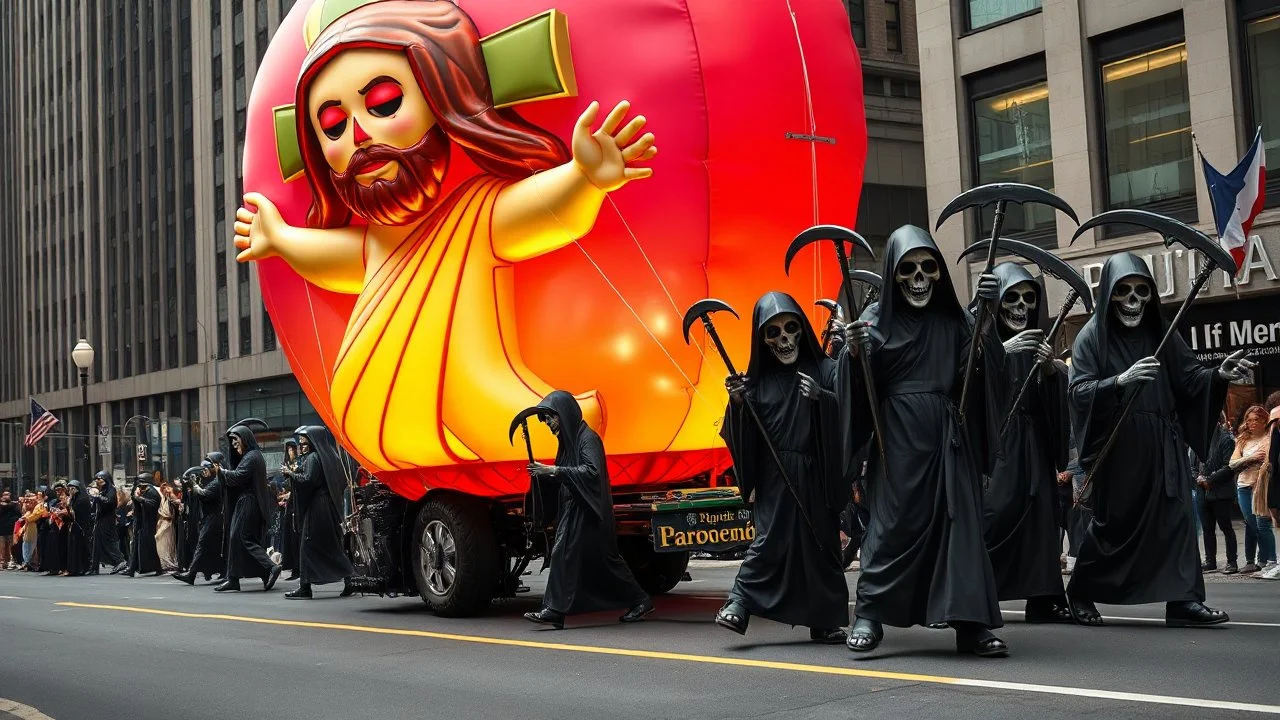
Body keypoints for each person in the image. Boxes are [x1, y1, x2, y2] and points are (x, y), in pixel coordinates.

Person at [233, 0, 660, 472]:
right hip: (395, 447)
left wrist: (583, 178)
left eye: (382, 104)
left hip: (491, 424)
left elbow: (540, 213)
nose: (358, 134)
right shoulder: (378, 240)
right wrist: (280, 237)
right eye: (333, 126)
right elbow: (333, 256)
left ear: (441, 98)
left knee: (538, 436)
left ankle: (566, 433)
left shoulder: (477, 213)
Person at [841, 224, 1009, 657]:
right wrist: (854, 353)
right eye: (908, 269)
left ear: (938, 274)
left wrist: (987, 320)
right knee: (892, 525)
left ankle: (969, 623)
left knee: (961, 529)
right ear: (894, 273)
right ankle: (870, 613)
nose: (918, 278)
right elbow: (857, 388)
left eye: (927, 268)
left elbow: (979, 373)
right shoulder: (875, 320)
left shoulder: (956, 318)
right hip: (895, 441)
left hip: (946, 438)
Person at [1066, 252, 1252, 627]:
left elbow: (1190, 380)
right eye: (1123, 292)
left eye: (1141, 291)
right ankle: (1082, 590)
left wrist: (1219, 375)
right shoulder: (1091, 337)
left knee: (1178, 520)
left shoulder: (1161, 333)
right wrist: (1118, 382)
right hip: (1119, 445)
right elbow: (1078, 391)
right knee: (1115, 526)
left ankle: (1183, 600)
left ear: (1150, 295)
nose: (1133, 300)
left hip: (1164, 446)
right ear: (1109, 296)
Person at [714, 292, 850, 644]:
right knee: (769, 541)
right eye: (773, 333)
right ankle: (740, 601)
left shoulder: (826, 370)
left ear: (802, 330)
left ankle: (824, 620)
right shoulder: (755, 385)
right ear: (762, 340)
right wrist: (739, 404)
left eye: (791, 329)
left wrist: (823, 399)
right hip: (775, 477)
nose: (784, 340)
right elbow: (740, 433)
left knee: (821, 546)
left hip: (817, 473)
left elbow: (851, 411)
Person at [979, 262, 1071, 623]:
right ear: (998, 303)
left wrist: (1050, 371)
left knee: (1039, 519)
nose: (1021, 307)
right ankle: (974, 596)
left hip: (1033, 448)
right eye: (1012, 298)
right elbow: (967, 387)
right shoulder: (982, 342)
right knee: (992, 515)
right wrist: (1001, 353)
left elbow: (1055, 405)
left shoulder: (1038, 346)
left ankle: (1043, 597)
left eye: (1028, 299)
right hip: (996, 446)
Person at [523, 391, 653, 629]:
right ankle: (638, 600)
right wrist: (543, 476)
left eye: (551, 419)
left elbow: (590, 473)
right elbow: (564, 477)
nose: (550, 425)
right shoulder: (569, 442)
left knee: (573, 555)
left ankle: (555, 610)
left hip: (589, 511)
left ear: (564, 414)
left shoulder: (587, 439)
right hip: (575, 511)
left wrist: (553, 471)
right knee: (592, 560)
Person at [282, 427, 356, 599]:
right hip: (328, 506)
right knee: (331, 546)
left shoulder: (314, 458)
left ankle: (306, 587)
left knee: (307, 546)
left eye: (304, 443)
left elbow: (308, 480)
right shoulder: (331, 457)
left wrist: (290, 473)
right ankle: (349, 579)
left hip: (317, 507)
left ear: (313, 442)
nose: (301, 447)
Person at [215, 425, 282, 592]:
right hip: (248, 501)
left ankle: (270, 567)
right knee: (239, 539)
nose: (235, 445)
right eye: (232, 442)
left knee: (242, 537)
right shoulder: (252, 456)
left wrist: (222, 472)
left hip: (249, 502)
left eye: (236, 441)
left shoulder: (251, 457)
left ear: (245, 439)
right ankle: (242, 576)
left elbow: (237, 477)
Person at [1231, 405, 1277, 579]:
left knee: (1262, 524)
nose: (1251, 423)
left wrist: (1250, 462)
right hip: (1243, 485)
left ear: (1264, 420)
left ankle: (1271, 560)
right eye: (1249, 420)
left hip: (1261, 485)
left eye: (1256, 419)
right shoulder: (1242, 440)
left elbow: (1269, 460)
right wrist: (1250, 458)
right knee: (1252, 524)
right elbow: (1232, 463)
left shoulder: (1269, 437)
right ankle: (1262, 561)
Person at [1196, 415, 1239, 574]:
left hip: (1221, 491)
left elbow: (1229, 466)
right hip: (1203, 491)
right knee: (1207, 528)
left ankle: (1232, 562)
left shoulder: (1226, 439)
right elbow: (1192, 464)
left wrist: (1210, 480)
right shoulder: (1199, 440)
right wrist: (1199, 479)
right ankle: (1210, 561)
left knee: (1226, 527)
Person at [175, 460, 226, 585]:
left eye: (206, 469)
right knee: (213, 547)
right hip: (210, 518)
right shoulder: (213, 481)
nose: (204, 472)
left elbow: (204, 494)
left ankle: (191, 574)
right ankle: (222, 572)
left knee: (202, 545)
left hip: (214, 518)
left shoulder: (217, 481)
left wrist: (194, 484)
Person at [123, 474, 162, 577]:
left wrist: (141, 499)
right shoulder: (143, 491)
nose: (140, 488)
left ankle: (157, 568)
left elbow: (153, 504)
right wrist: (136, 497)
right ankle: (132, 568)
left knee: (150, 546)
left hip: (149, 522)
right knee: (136, 545)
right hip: (140, 521)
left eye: (141, 485)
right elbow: (136, 499)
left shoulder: (152, 492)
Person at [88, 471, 126, 574]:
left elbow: (109, 502)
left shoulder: (111, 490)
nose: (97, 481)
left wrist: (97, 497)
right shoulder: (103, 490)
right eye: (96, 479)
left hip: (107, 520)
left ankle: (119, 561)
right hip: (100, 519)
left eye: (99, 479)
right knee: (97, 542)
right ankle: (94, 567)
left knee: (107, 541)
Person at [278, 439, 302, 581]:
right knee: (289, 537)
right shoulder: (287, 464)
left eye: (292, 449)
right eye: (288, 449)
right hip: (290, 505)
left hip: (297, 505)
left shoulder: (299, 463)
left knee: (296, 537)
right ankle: (294, 568)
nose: (290, 452)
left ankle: (298, 568)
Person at [65, 480, 94, 576]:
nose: (71, 490)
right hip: (75, 525)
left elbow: (77, 512)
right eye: (70, 489)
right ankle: (75, 568)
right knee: (74, 546)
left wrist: (70, 504)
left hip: (83, 525)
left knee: (83, 546)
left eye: (73, 488)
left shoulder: (83, 499)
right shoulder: (74, 498)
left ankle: (85, 567)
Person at [156, 482, 181, 573]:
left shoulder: (172, 498)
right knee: (161, 543)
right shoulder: (165, 497)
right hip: (162, 523)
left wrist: (170, 494)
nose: (166, 489)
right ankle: (164, 563)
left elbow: (175, 506)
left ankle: (168, 564)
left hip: (168, 524)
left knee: (168, 544)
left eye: (168, 488)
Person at [0, 489, 19, 570]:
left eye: (7, 495)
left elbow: (18, 514)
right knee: (2, 547)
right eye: (4, 495)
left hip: (11, 529)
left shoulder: (14, 505)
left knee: (12, 546)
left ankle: (12, 561)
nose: (5, 496)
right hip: (1, 529)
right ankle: (3, 562)